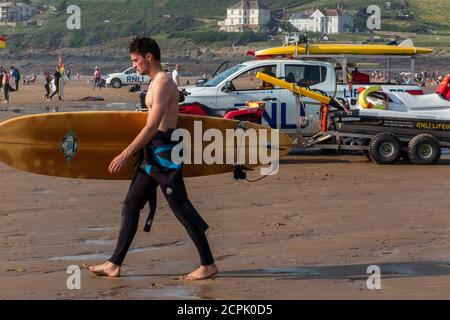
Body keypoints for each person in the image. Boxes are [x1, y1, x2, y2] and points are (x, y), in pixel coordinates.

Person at [86, 36, 218, 280]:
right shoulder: (155, 82)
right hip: (152, 154)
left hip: (163, 154)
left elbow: (151, 127)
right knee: (131, 204)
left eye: (136, 61)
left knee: (180, 207)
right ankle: (114, 264)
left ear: (149, 57)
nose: (134, 65)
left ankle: (208, 264)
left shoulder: (163, 83)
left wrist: (125, 154)